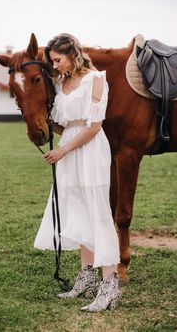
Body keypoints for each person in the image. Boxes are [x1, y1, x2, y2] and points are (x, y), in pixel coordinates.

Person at [34, 33, 120, 312]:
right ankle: (87, 279)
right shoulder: (61, 84)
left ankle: (110, 285)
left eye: (57, 60)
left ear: (72, 54)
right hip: (69, 147)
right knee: (77, 210)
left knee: (98, 212)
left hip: (90, 148)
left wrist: (62, 151)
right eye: (53, 61)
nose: (55, 65)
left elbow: (94, 126)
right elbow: (64, 124)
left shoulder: (95, 79)